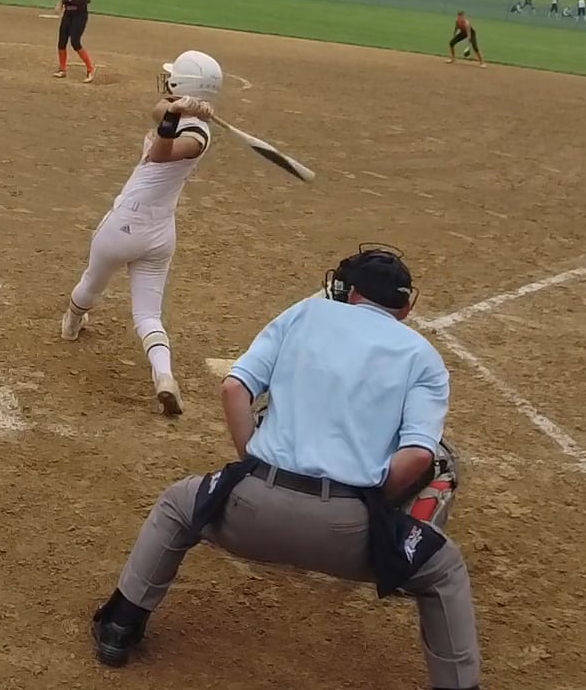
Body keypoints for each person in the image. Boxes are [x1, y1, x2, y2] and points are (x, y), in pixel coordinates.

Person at [89, 245, 481, 689]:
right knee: (443, 568)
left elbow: (234, 389)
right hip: (349, 536)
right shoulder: (424, 356)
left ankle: (120, 625)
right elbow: (419, 457)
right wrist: (375, 508)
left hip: (252, 512)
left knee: (177, 506)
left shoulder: (305, 314)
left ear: (348, 291)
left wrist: (253, 464)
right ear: (405, 307)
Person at [58, 51, 222, 415]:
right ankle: (164, 376)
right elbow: (158, 110)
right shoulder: (179, 114)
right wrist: (178, 109)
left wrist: (179, 114)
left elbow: (163, 153)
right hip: (160, 232)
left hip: (125, 224)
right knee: (148, 315)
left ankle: (71, 324)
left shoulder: (197, 135)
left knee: (92, 282)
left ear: (184, 84)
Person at [54, 0, 95, 82]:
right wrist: (59, 6)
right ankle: (62, 69)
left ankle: (90, 69)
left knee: (75, 42)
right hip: (68, 13)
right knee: (61, 42)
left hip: (80, 14)